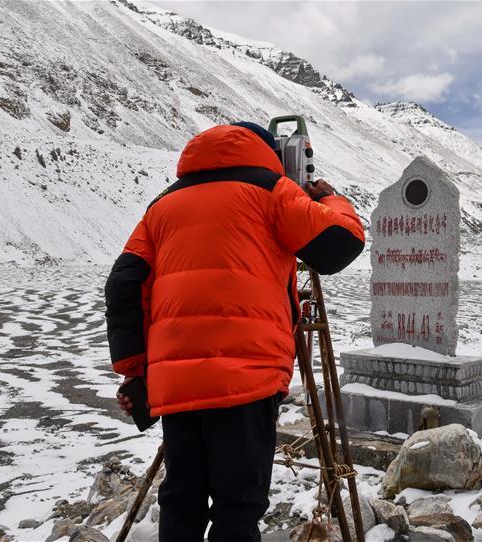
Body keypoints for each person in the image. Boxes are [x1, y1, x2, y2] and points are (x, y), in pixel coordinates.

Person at [104, 122, 364, 541]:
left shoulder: (163, 203)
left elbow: (125, 282)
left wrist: (136, 370)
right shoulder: (272, 190)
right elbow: (340, 245)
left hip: (177, 382)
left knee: (181, 501)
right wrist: (327, 199)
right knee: (238, 506)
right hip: (246, 378)